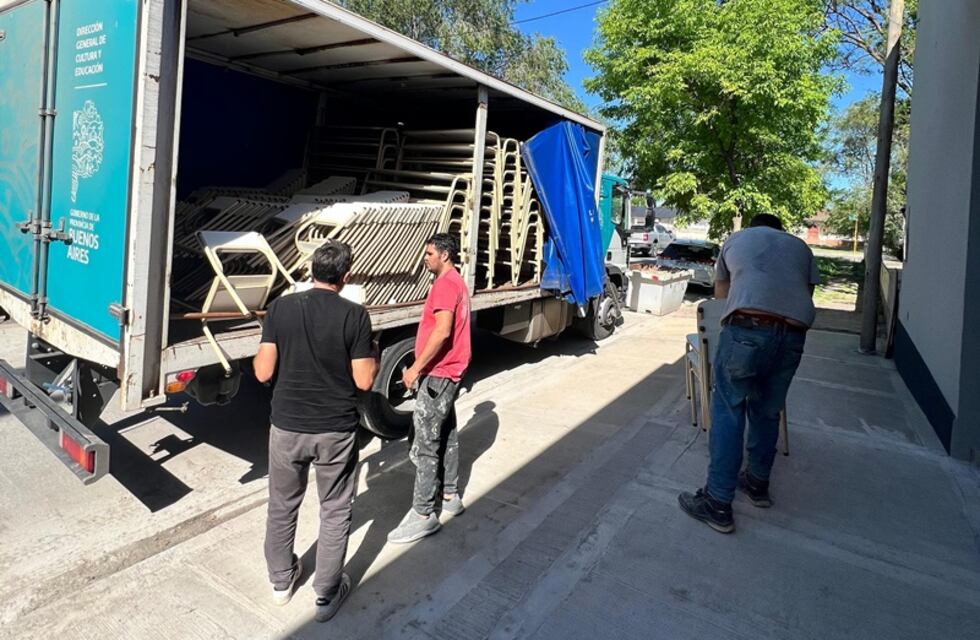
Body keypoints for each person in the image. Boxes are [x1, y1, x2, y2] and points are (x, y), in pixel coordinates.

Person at [254, 240, 378, 622]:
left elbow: (263, 372)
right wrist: (373, 354)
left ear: (311, 271)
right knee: (335, 510)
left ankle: (281, 583)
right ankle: (326, 596)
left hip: (286, 427)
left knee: (281, 505)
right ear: (346, 275)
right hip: (334, 431)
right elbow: (364, 380)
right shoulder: (355, 315)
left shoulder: (280, 308)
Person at [678, 213, 820, 534]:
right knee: (768, 411)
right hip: (793, 335)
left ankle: (717, 503)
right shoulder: (801, 247)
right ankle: (757, 484)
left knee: (728, 410)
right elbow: (805, 294)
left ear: (753, 227)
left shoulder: (737, 239)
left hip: (746, 330)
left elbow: (721, 296)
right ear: (780, 229)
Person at [387, 233, 472, 544]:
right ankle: (449, 495)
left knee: (424, 443)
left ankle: (423, 515)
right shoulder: (456, 281)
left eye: (429, 254)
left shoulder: (445, 285)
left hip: (438, 374)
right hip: (450, 373)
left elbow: (443, 331)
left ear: (445, 255)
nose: (425, 258)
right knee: (446, 433)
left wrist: (415, 368)